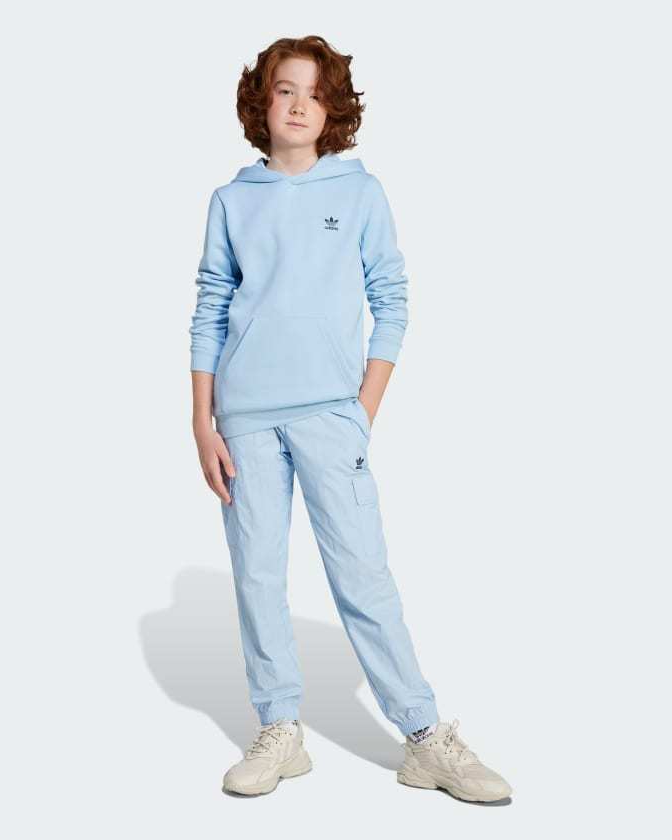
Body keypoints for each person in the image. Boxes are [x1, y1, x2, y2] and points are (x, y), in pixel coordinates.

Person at [189, 35, 512, 802]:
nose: (299, 104)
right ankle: (280, 729)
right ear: (261, 102)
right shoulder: (232, 200)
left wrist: (361, 409)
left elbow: (392, 299)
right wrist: (203, 421)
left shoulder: (360, 193)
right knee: (258, 576)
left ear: (332, 109)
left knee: (362, 575)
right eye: (284, 89)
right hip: (244, 420)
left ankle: (424, 736)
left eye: (314, 92)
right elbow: (210, 306)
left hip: (331, 417)